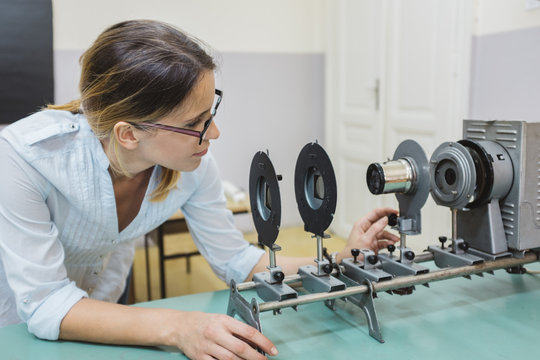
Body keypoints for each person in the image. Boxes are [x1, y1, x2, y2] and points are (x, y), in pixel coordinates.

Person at [0, 20, 399, 360]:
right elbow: (47, 303)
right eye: (196, 123)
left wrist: (338, 259)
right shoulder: (27, 158)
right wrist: (177, 327)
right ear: (129, 134)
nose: (216, 134)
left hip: (104, 306)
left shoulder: (192, 167)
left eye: (212, 114)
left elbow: (236, 260)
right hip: (16, 324)